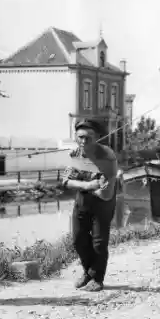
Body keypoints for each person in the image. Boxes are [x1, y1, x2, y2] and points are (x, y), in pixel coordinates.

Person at [61, 120, 118, 292]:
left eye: (88, 138)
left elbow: (105, 193)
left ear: (98, 138)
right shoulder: (75, 154)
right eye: (80, 137)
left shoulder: (107, 156)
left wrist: (86, 185)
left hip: (103, 202)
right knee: (78, 239)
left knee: (99, 243)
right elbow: (65, 181)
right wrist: (88, 185)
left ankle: (97, 279)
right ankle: (88, 272)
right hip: (83, 199)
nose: (83, 142)